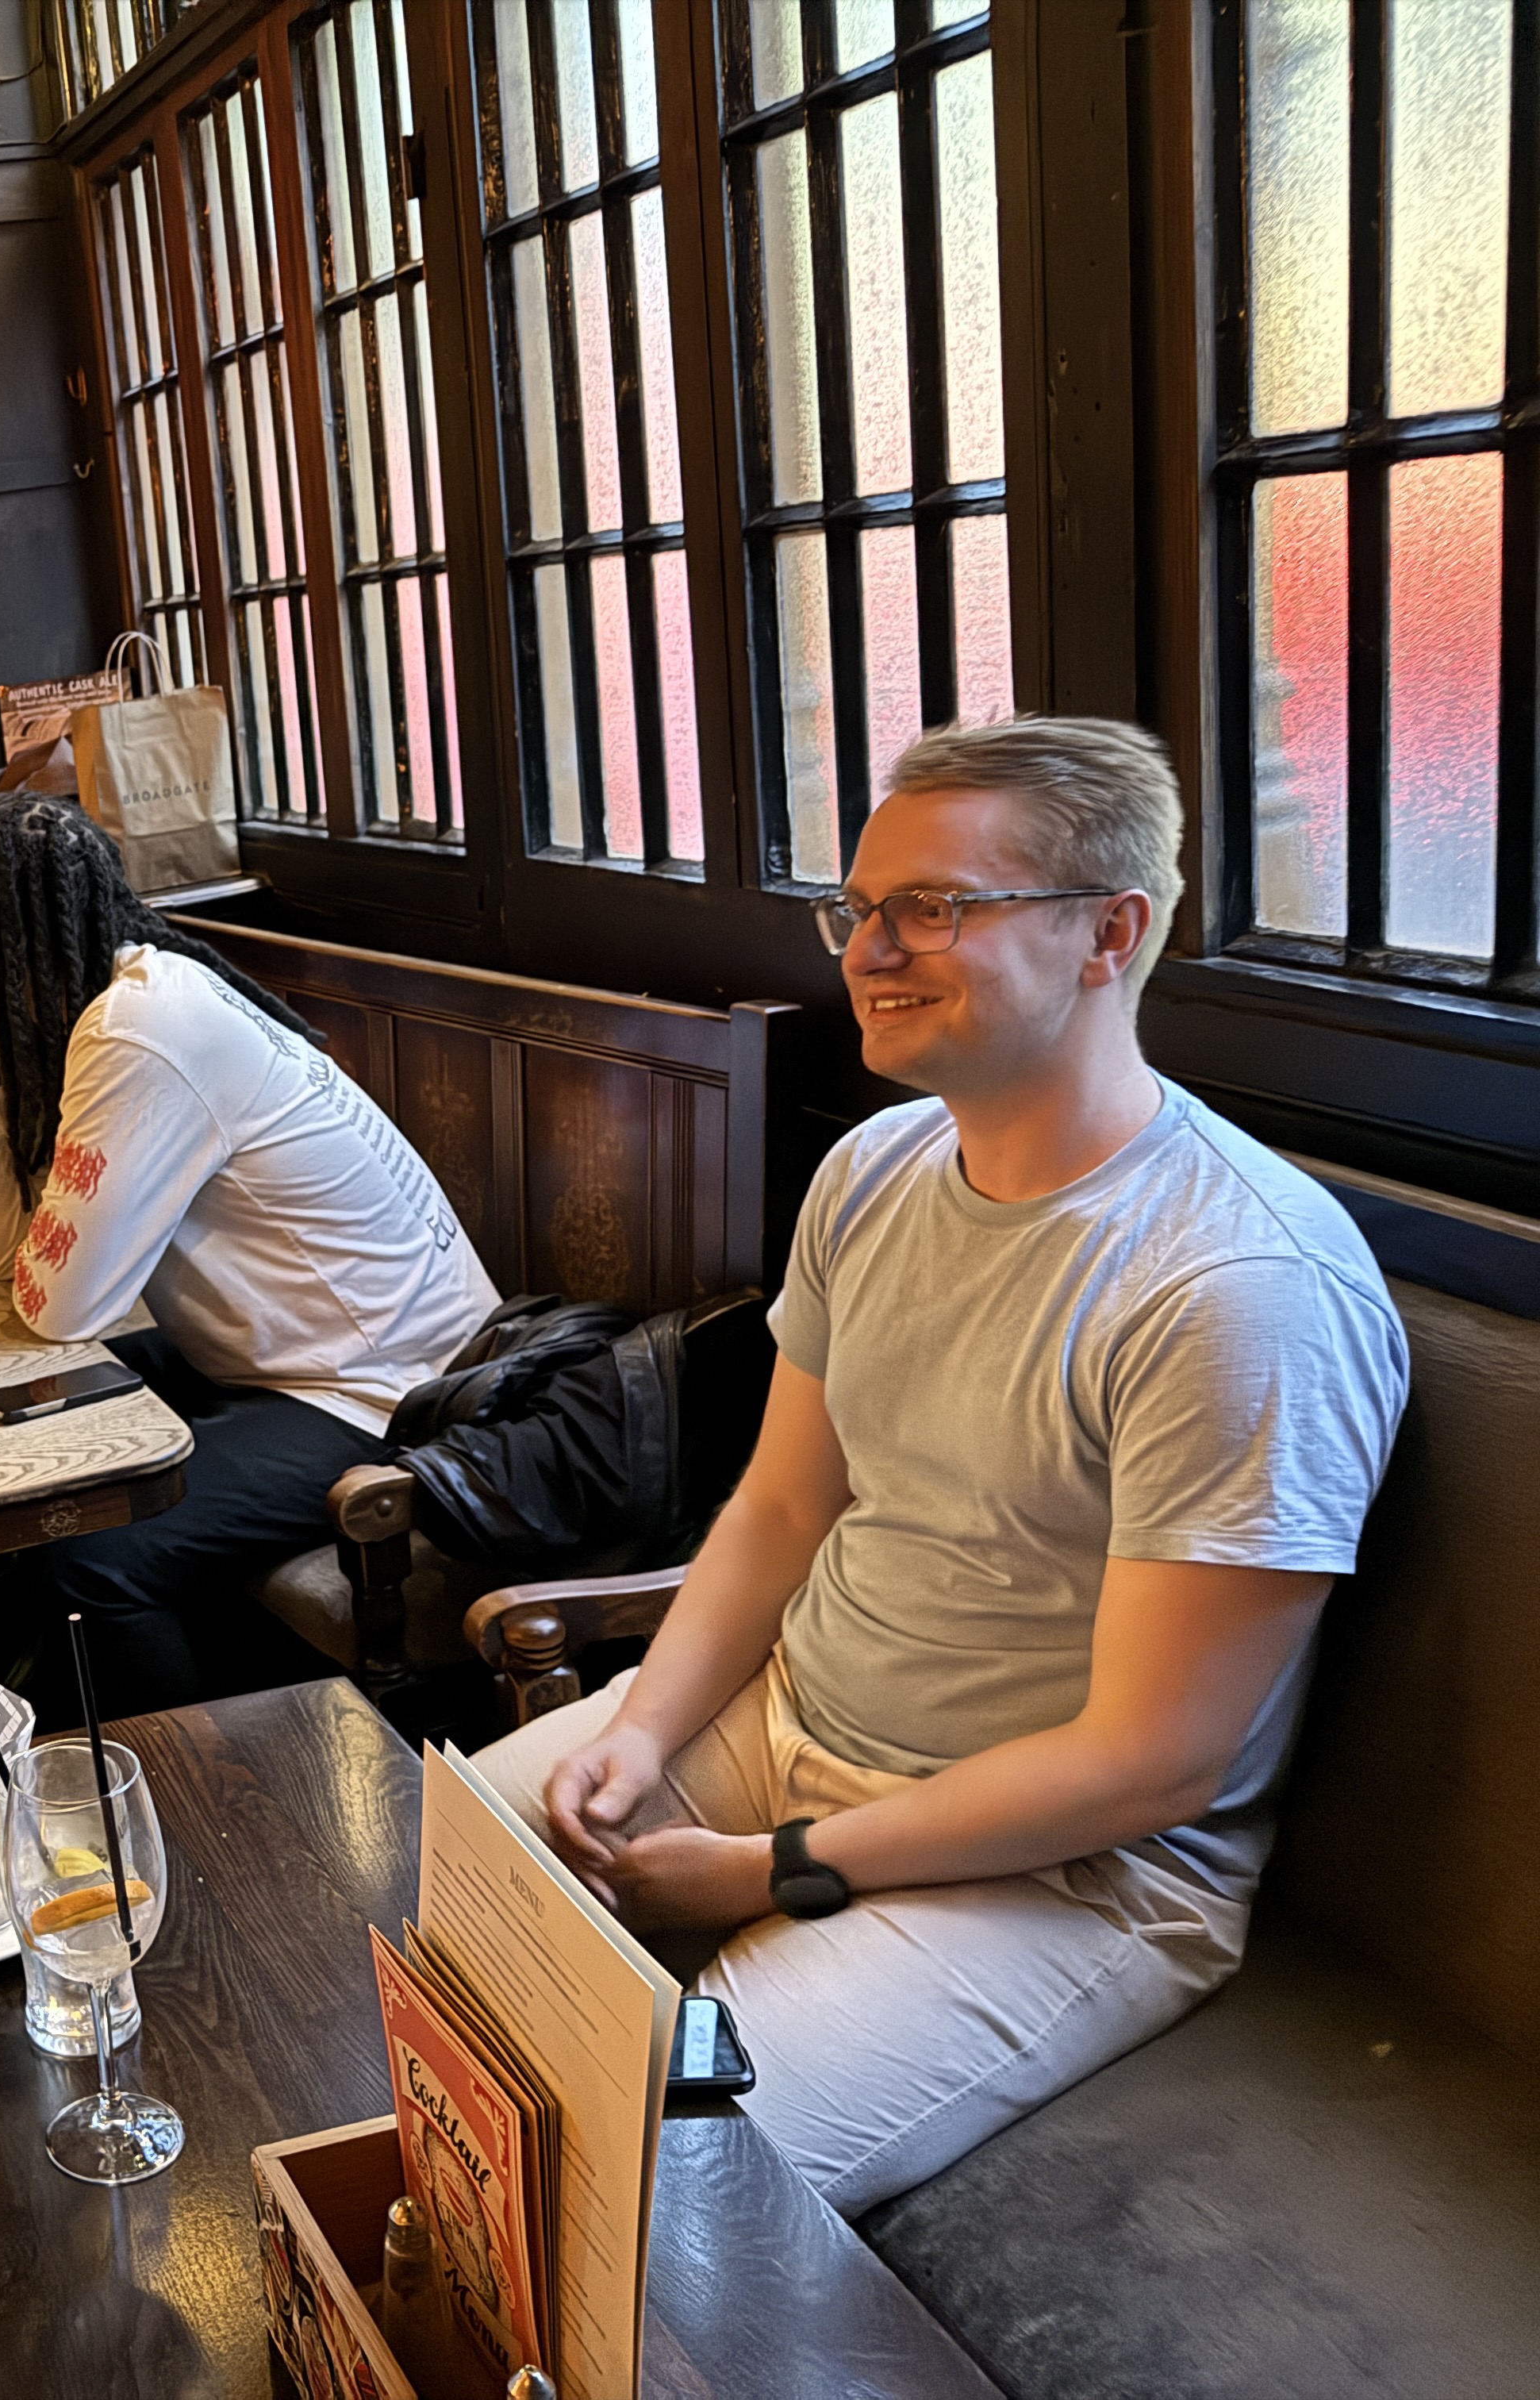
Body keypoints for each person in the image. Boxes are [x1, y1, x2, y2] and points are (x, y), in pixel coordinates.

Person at [467, 716, 1408, 2217]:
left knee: (651, 2187)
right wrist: (641, 1734)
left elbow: (1148, 1761)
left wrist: (771, 1865)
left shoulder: (1236, 1284)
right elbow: (778, 1507)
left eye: (936, 907)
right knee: (413, 1917)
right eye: (856, 907)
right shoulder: (874, 1167)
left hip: (1066, 1872)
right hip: (785, 1722)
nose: (867, 948)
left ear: (1112, 930)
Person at [0, 795, 500, 1717]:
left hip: (390, 1389)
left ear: (5, 929)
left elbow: (58, 1306)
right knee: (0, 1409)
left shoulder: (137, 1030)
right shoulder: (116, 1003)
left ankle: (187, 1803)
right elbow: (7, 1265)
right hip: (282, 1362)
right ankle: (7, 1731)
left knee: (91, 1556)